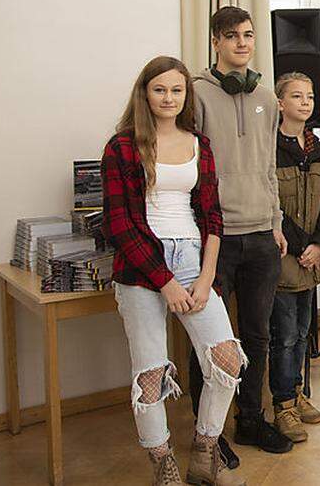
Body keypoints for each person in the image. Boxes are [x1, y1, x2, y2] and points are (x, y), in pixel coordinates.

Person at [102, 56, 246, 486]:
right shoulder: (122, 146)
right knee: (150, 376)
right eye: (160, 89)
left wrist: (204, 277)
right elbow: (119, 224)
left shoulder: (198, 142)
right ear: (145, 93)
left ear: (187, 95)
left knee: (227, 360)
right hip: (141, 266)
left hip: (192, 258)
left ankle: (205, 452)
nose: (169, 97)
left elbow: (212, 216)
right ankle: (163, 465)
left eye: (177, 90)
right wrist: (164, 282)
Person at [189, 6, 292, 459]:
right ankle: (208, 436)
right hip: (215, 239)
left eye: (248, 35)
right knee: (212, 343)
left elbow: (269, 167)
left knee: (258, 335)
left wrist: (276, 222)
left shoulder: (268, 98)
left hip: (261, 236)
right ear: (215, 41)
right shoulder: (194, 94)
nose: (242, 43)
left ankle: (250, 420)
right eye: (232, 36)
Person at [268, 73, 320, 442]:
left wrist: (319, 244)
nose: (305, 102)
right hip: (285, 255)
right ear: (280, 103)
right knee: (285, 335)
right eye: (296, 96)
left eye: (309, 96)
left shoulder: (318, 148)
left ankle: (297, 392)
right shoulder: (269, 148)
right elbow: (272, 204)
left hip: (313, 256)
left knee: (305, 331)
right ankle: (282, 405)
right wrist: (299, 245)